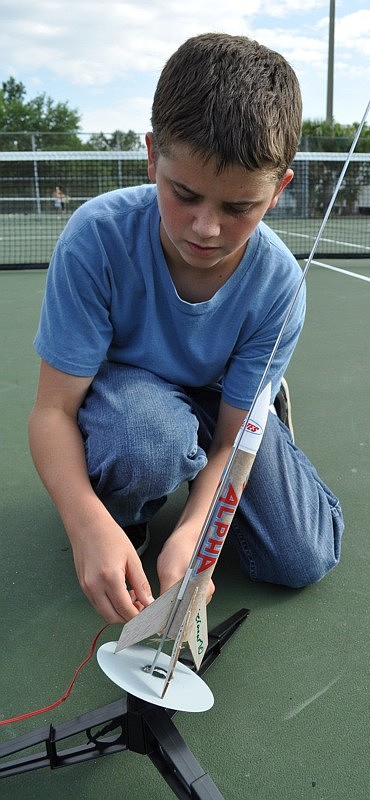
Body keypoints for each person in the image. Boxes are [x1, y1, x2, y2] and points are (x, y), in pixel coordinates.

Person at [29, 33, 344, 626]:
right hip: (134, 392)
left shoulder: (278, 284)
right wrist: (84, 522)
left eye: (238, 208)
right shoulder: (96, 238)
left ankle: (264, 407)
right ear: (152, 156)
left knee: (302, 556)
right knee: (144, 442)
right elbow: (51, 414)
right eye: (185, 194)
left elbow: (229, 443)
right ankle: (124, 511)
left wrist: (197, 537)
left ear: (278, 190)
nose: (207, 228)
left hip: (223, 400)